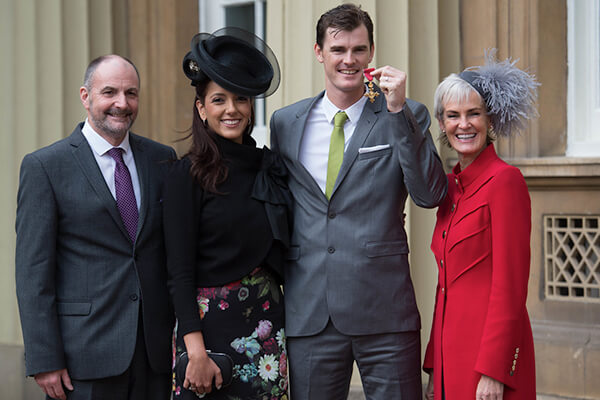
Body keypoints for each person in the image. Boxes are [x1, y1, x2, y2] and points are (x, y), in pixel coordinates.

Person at [269, 3, 447, 399]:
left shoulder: (405, 114)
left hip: (383, 309)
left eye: (359, 50)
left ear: (371, 53)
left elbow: (430, 194)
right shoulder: (285, 122)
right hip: (309, 309)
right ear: (319, 52)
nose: (349, 60)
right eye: (338, 50)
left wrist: (398, 111)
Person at [15, 55, 177, 400]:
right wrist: (44, 358)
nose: (122, 103)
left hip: (154, 354)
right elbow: (33, 271)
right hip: (82, 358)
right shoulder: (46, 167)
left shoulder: (161, 160)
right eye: (110, 92)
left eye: (131, 93)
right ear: (85, 96)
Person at [163, 28, 290, 399]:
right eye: (219, 100)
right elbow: (179, 272)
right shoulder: (184, 176)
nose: (231, 109)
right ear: (202, 108)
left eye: (241, 99)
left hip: (267, 328)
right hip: (207, 334)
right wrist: (195, 352)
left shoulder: (269, 167)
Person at [423, 50, 539, 400]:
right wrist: (433, 366)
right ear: (442, 125)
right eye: (453, 116)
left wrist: (494, 371)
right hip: (449, 359)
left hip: (486, 363)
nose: (464, 124)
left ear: (490, 121)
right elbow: (444, 286)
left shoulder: (506, 181)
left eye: (474, 114)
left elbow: (511, 286)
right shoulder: (449, 188)